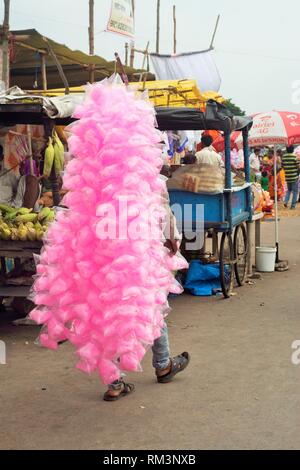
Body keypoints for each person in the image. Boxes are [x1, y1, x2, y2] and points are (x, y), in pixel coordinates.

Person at [103, 166, 191, 401]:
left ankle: (114, 383)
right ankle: (163, 365)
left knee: (109, 319)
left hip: (104, 267)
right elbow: (168, 230)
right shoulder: (150, 185)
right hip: (141, 266)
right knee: (153, 310)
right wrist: (173, 243)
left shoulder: (100, 184)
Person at [282, 145, 300, 210]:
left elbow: (283, 166)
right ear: (292, 150)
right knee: (295, 191)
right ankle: (292, 206)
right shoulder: (294, 157)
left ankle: (286, 201)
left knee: (289, 190)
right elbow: (298, 167)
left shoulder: (284, 157)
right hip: (294, 176)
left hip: (287, 176)